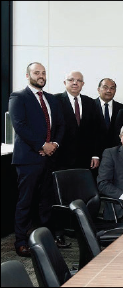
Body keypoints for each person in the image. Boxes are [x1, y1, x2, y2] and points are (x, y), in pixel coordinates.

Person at [9, 62, 65, 257]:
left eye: (43, 73)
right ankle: (21, 242)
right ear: (27, 75)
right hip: (28, 159)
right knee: (26, 201)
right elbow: (20, 125)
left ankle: (45, 241)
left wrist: (54, 145)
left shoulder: (52, 99)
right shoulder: (18, 97)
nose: (41, 76)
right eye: (36, 73)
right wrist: (42, 145)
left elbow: (60, 125)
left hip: (50, 158)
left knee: (46, 202)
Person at [55, 71, 104, 173]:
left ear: (83, 84)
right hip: (61, 157)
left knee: (84, 188)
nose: (75, 83)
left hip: (86, 158)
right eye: (71, 80)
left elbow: (97, 130)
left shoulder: (90, 102)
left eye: (79, 80)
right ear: (65, 82)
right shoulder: (55, 100)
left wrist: (96, 154)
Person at [95, 78, 123, 150]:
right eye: (105, 87)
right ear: (98, 89)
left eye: (112, 88)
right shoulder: (90, 106)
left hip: (116, 152)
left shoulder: (122, 109)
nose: (109, 91)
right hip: (94, 154)